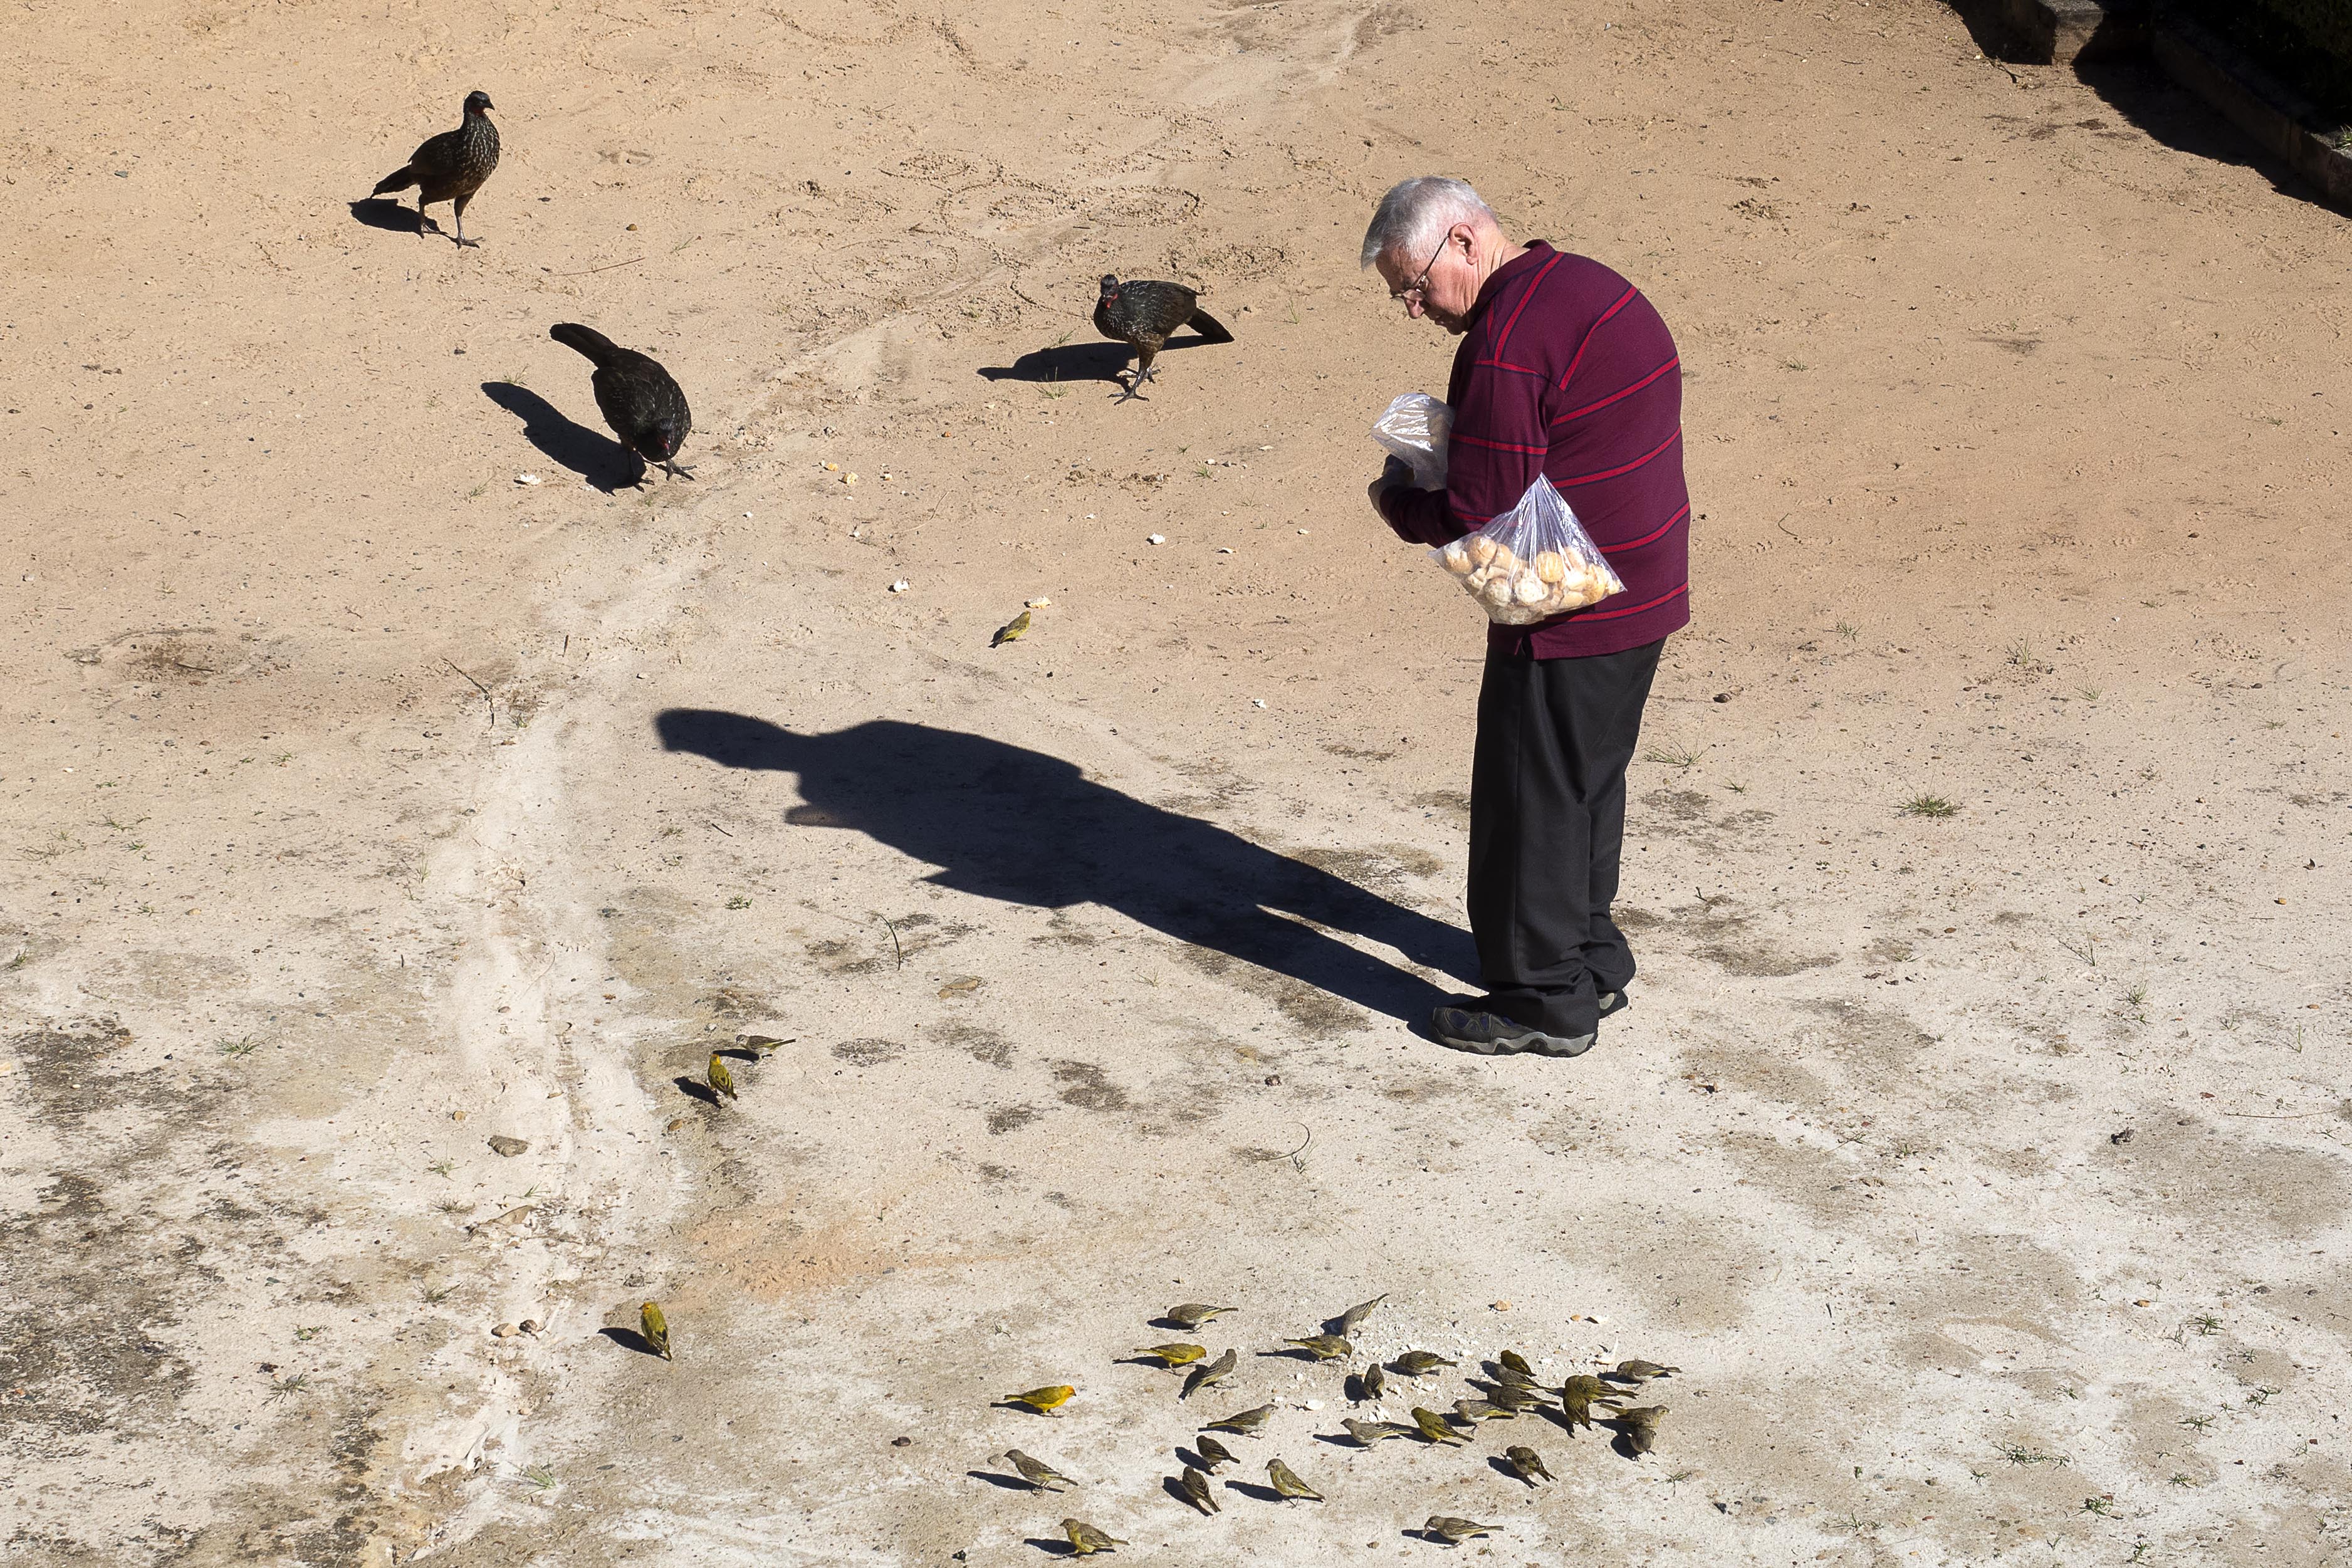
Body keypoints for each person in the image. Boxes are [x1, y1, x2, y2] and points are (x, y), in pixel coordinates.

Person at [1361, 176, 1691, 1058]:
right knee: (1585, 781)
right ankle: (1590, 956)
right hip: (1645, 581)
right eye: (1402, 292)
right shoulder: (1588, 285)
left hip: (1565, 608)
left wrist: (1398, 498)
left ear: (1466, 242)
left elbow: (1476, 502)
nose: (1413, 307)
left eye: (1415, 283)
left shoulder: (1506, 345)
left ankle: (1544, 1000)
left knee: (1528, 799)